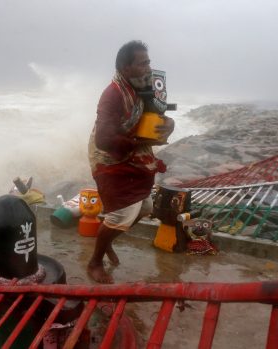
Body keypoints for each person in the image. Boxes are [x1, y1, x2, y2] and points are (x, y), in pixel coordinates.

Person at [87, 40, 174, 283]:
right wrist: (138, 142)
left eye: (149, 62)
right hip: (109, 157)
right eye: (142, 63)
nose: (148, 67)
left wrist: (165, 124)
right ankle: (94, 262)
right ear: (126, 68)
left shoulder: (141, 86)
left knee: (145, 208)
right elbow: (104, 140)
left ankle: (107, 240)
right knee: (119, 216)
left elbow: (155, 115)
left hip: (133, 149)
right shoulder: (112, 94)